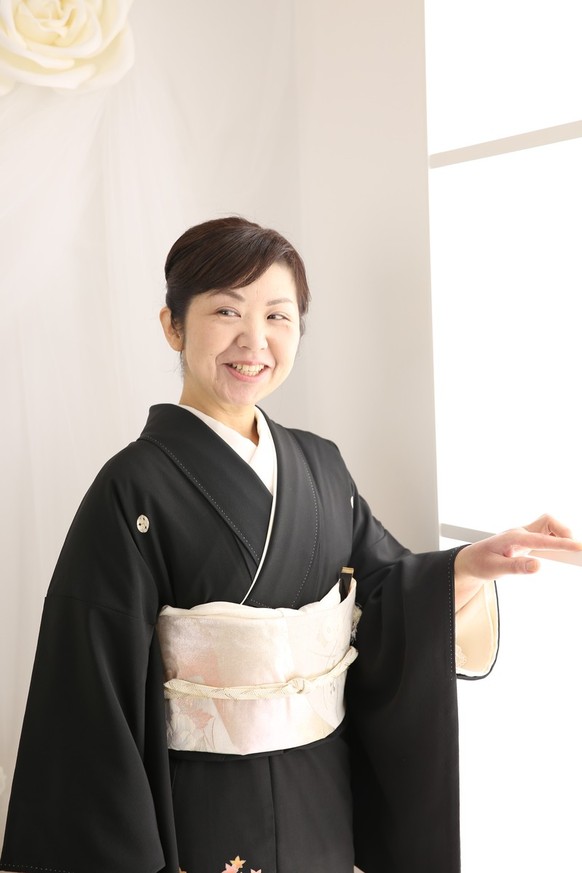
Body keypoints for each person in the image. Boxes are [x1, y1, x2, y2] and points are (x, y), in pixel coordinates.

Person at [1, 217, 580, 873]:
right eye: (227, 311)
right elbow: (91, 690)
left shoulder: (321, 467)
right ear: (173, 325)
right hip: (202, 806)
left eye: (278, 316)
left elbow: (389, 594)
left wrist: (465, 568)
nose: (255, 340)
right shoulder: (132, 487)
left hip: (322, 797)